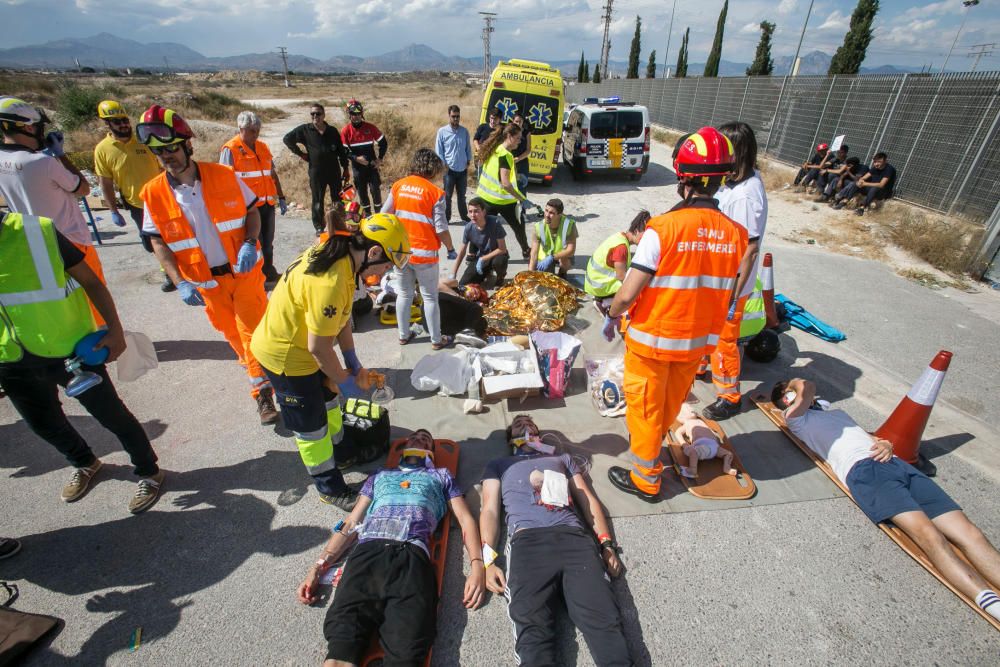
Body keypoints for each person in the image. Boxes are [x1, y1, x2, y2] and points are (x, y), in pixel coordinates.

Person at [771, 378, 1000, 623]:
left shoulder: (835, 413)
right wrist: (793, 383)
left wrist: (886, 443)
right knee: (929, 535)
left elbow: (861, 436)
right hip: (864, 473)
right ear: (788, 399)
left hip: (895, 464)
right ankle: (991, 604)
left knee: (971, 533)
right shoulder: (795, 419)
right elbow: (806, 386)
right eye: (790, 391)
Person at [605, 128, 748, 502]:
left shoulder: (663, 229)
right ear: (721, 179)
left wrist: (612, 310)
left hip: (652, 342)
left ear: (682, 178)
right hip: (695, 345)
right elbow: (728, 289)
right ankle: (654, 457)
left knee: (645, 410)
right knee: (669, 406)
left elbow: (630, 291)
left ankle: (646, 480)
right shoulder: (735, 234)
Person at [0, 211, 164, 513]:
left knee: (112, 416)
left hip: (69, 351)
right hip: (10, 359)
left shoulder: (36, 231)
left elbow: (91, 282)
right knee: (43, 424)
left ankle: (149, 472)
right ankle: (85, 462)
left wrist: (114, 330)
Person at [251, 210, 410, 510]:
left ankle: (343, 452)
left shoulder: (345, 259)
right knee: (311, 427)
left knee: (330, 403)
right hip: (286, 357)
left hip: (304, 348)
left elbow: (342, 318)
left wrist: (353, 362)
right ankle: (329, 485)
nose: (387, 269)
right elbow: (319, 349)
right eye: (388, 262)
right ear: (373, 251)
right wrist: (344, 381)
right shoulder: (332, 280)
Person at [137, 105, 278, 426]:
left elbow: (252, 212)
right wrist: (179, 281)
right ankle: (266, 379)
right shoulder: (153, 194)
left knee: (253, 332)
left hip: (243, 274)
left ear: (187, 145)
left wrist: (248, 242)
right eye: (158, 152)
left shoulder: (223, 175)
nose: (166, 156)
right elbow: (158, 241)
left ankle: (264, 393)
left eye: (171, 148)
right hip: (207, 284)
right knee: (235, 338)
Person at [296, 429, 486, 666]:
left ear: (431, 454)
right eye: (414, 438)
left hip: (412, 555)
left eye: (426, 440)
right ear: (404, 449)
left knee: (408, 652)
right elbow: (351, 523)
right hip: (368, 553)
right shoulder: (380, 475)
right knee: (341, 646)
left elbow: (465, 518)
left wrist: (477, 566)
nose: (419, 439)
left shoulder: (440, 475)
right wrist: (319, 565)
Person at [479, 414, 631, 666]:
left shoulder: (561, 458)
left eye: (529, 422)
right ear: (511, 438)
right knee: (532, 628)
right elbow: (490, 510)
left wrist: (606, 544)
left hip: (574, 540)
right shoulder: (499, 464)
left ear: (538, 433)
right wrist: (488, 561)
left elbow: (588, 500)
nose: (525, 424)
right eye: (518, 424)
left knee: (603, 620)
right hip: (528, 542)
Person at [0, 96, 108, 326]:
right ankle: (101, 336)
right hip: (72, 241)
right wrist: (60, 154)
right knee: (91, 292)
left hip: (35, 242)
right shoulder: (41, 162)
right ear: (28, 127)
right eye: (39, 127)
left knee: (62, 297)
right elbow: (84, 188)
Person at [702, 121, 769, 421]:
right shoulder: (736, 185)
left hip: (729, 286)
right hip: (718, 281)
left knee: (724, 341)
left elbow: (748, 249)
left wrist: (731, 293)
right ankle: (702, 368)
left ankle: (729, 396)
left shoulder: (744, 196)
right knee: (709, 332)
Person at [382, 148, 456, 350]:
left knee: (404, 294)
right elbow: (441, 228)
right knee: (430, 297)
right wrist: (450, 247)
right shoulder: (435, 193)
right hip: (424, 254)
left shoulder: (398, 186)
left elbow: (384, 214)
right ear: (432, 169)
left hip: (401, 253)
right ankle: (436, 339)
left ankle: (403, 335)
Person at [92, 100, 167, 287]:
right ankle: (167, 270)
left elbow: (164, 166)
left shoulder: (144, 140)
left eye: (124, 120)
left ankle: (177, 268)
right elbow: (105, 182)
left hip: (163, 198)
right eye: (117, 122)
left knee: (175, 235)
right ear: (107, 124)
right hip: (137, 204)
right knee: (151, 242)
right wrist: (112, 210)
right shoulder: (103, 150)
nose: (123, 124)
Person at [221, 110, 288, 283]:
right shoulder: (231, 149)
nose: (255, 133)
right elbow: (224, 182)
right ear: (240, 128)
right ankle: (256, 277)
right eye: (251, 130)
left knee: (268, 242)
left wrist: (281, 196)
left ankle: (268, 272)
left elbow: (272, 174)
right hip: (248, 208)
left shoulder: (263, 147)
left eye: (257, 130)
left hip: (267, 203)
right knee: (253, 243)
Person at [283, 103, 351, 235]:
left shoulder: (332, 131)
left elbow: (341, 152)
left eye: (318, 113)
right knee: (317, 200)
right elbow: (287, 139)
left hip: (334, 170)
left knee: (337, 199)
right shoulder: (305, 130)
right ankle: (319, 227)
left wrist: (346, 168)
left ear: (324, 115)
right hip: (316, 171)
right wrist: (300, 154)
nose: (315, 116)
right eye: (312, 114)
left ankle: (339, 224)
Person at [475, 123, 532, 259]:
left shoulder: (496, 149)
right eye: (518, 138)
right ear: (509, 136)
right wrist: (522, 199)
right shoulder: (506, 155)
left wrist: (516, 177)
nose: (520, 141)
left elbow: (497, 173)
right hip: (503, 201)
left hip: (486, 199)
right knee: (518, 226)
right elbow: (505, 184)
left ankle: (475, 254)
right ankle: (525, 251)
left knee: (484, 229)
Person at [584, 210, 650, 314]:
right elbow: (621, 276)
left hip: (593, 280)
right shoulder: (621, 248)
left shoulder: (619, 236)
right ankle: (604, 302)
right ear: (636, 231)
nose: (645, 241)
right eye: (644, 237)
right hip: (599, 287)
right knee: (634, 288)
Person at [341, 99, 387, 216]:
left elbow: (383, 143)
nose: (356, 117)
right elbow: (344, 151)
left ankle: (379, 216)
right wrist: (356, 158)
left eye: (358, 114)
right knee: (362, 194)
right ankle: (367, 217)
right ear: (349, 115)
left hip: (372, 167)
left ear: (362, 113)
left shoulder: (370, 127)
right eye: (353, 114)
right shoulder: (346, 131)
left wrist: (380, 159)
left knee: (375, 192)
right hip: (358, 169)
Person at [452, 196, 509, 287]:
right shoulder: (469, 228)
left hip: (497, 255)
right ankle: (487, 273)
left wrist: (483, 259)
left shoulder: (495, 223)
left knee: (499, 262)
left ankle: (500, 277)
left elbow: (502, 249)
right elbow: (462, 252)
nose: (473, 215)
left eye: (476, 211)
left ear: (484, 212)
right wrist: (453, 274)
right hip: (482, 258)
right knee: (464, 284)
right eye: (470, 211)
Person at [435, 104, 473, 223]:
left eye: (458, 116)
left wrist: (468, 161)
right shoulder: (442, 132)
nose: (456, 119)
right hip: (449, 170)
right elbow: (439, 150)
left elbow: (468, 147)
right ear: (449, 116)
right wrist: (444, 165)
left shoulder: (464, 131)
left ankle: (464, 216)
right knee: (447, 196)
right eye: (453, 116)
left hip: (462, 169)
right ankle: (447, 217)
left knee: (462, 196)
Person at [674, 403, 734, 478]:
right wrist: (684, 444)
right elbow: (678, 433)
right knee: (693, 452)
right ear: (680, 418)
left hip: (714, 446)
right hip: (702, 446)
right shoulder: (687, 423)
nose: (692, 412)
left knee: (729, 454)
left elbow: (710, 430)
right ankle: (693, 469)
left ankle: (727, 467)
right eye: (688, 411)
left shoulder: (700, 421)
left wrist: (715, 437)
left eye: (692, 410)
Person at [832, 152, 896, 216]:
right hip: (871, 187)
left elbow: (881, 184)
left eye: (879, 162)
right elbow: (864, 177)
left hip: (882, 192)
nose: (876, 164)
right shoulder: (875, 168)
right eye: (875, 162)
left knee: (874, 189)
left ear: (885, 161)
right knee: (855, 183)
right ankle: (844, 201)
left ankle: (862, 208)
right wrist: (860, 181)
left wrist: (865, 184)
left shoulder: (889, 169)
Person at [529, 198, 577, 277]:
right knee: (547, 276)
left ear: (559, 214)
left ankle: (562, 273)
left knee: (565, 263)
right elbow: (533, 253)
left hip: (561, 255)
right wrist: (530, 274)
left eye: (551, 213)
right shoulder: (538, 227)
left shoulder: (569, 225)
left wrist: (552, 257)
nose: (547, 215)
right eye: (546, 210)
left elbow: (571, 250)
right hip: (546, 255)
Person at [473, 108, 502, 174]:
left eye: (495, 119)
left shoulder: (501, 131)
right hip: (481, 157)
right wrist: (479, 149)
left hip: (493, 159)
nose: (492, 121)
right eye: (491, 118)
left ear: (500, 119)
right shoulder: (483, 127)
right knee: (480, 178)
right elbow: (475, 139)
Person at [511, 112, 532, 192]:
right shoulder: (509, 132)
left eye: (520, 121)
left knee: (521, 188)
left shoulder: (526, 133)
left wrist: (519, 158)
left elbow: (529, 149)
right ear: (513, 121)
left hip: (522, 163)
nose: (518, 123)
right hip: (510, 161)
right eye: (516, 121)